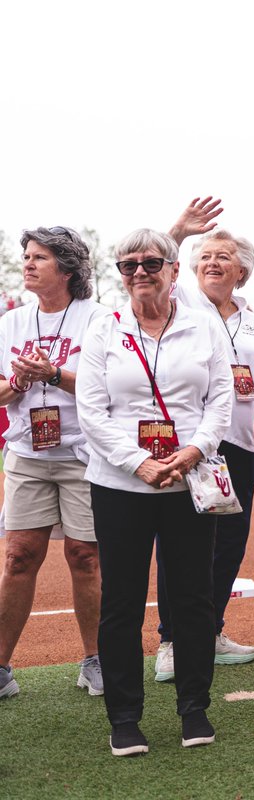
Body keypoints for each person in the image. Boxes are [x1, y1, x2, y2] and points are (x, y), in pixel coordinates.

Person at [76, 228, 233, 756]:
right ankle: (124, 718)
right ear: (120, 274)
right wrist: (137, 462)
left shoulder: (203, 325)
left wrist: (194, 450)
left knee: (192, 600)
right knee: (121, 603)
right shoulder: (104, 328)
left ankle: (194, 708)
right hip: (120, 485)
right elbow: (92, 411)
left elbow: (220, 399)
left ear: (172, 269)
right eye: (128, 265)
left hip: (188, 481)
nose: (139, 272)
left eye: (150, 263)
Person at [148, 201, 254, 682]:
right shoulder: (182, 301)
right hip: (195, 445)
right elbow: (154, 265)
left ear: (241, 271)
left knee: (230, 545)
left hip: (240, 449)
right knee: (180, 543)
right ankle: (171, 641)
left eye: (223, 256)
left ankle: (208, 630)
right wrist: (179, 232)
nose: (212, 263)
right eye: (205, 256)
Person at [0, 227, 107, 701]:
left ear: (66, 268)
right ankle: (1, 667)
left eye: (39, 257)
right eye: (26, 256)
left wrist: (53, 374)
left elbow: (107, 387)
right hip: (28, 453)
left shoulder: (98, 319)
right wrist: (21, 383)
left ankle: (96, 660)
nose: (27, 263)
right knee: (18, 557)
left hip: (84, 453)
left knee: (85, 556)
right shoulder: (11, 322)